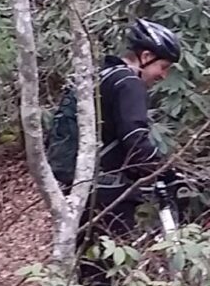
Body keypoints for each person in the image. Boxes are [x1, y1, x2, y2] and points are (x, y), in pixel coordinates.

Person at [48, 18, 182, 244]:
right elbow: (134, 138)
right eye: (163, 67)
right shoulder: (128, 82)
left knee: (89, 264)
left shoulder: (104, 75)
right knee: (105, 268)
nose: (163, 75)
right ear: (147, 57)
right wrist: (165, 171)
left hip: (81, 188)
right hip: (107, 192)